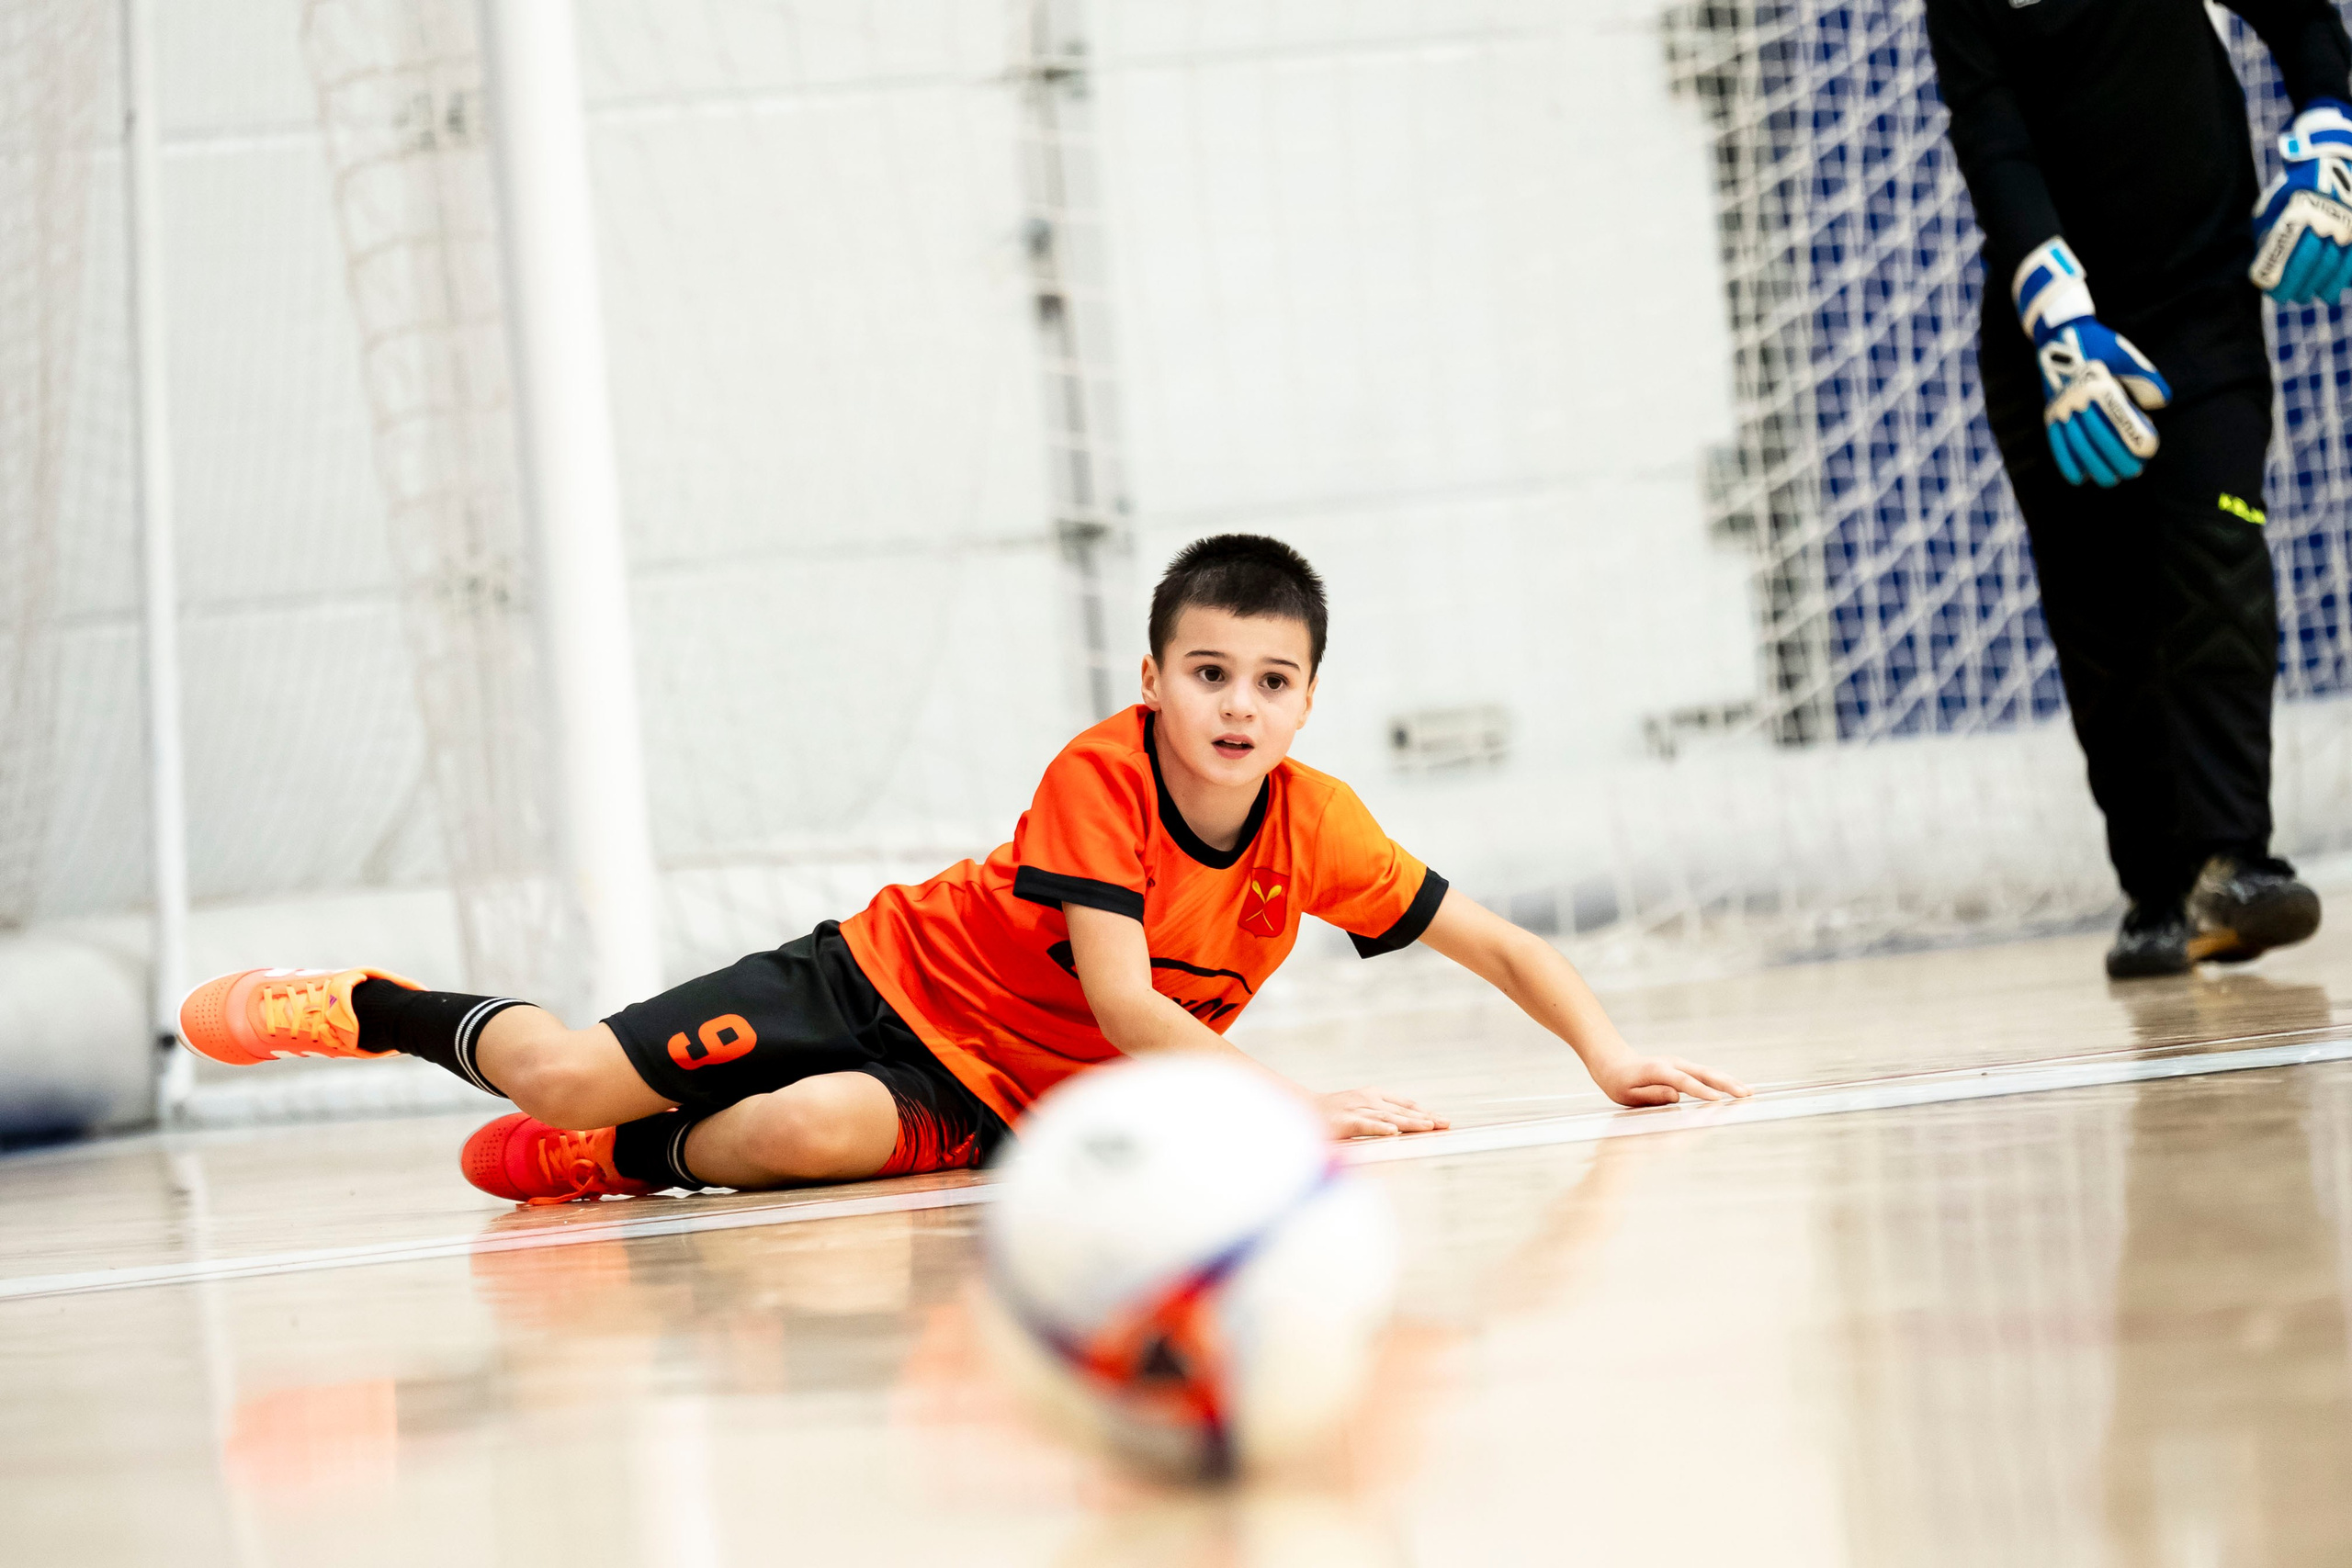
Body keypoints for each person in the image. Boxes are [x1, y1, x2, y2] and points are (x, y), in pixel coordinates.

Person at [176, 536, 1749, 1202]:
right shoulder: (1097, 776)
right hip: (872, 978)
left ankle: (623, 1171)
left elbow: (1503, 944)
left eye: (1271, 683)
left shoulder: (1319, 824)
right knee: (574, 1072)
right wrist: (1290, 1099)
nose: (1237, 708)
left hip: (1000, 1091)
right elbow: (1130, 1002)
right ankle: (377, 1001)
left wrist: (1608, 1055)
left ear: (1308, 700)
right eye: (1208, 674)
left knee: (798, 1136)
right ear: (1152, 677)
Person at [1926, 0, 2347, 977]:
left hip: (2203, 308)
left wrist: (2332, 126)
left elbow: (2301, 21)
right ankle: (2156, 892)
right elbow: (1994, 146)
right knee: (2104, 628)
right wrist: (2060, 325)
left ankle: (2234, 862)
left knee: (2219, 564)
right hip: (2054, 344)